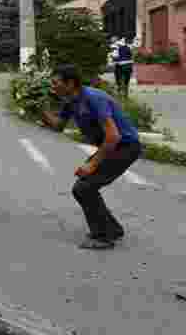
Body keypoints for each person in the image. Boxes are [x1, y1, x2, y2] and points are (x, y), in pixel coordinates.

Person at [40, 64, 141, 249]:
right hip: (112, 147)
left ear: (70, 83)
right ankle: (111, 229)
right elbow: (59, 125)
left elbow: (113, 136)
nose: (52, 87)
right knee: (85, 187)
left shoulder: (93, 98)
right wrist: (42, 112)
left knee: (84, 188)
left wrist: (93, 163)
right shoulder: (70, 101)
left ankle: (104, 236)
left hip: (125, 147)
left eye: (56, 83)